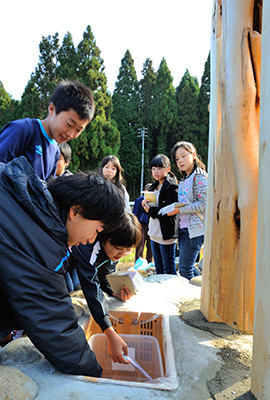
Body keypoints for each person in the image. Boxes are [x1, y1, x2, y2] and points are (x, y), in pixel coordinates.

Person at [0, 155, 128, 377]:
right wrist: (96, 377)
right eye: (97, 231)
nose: (90, 240)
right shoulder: (41, 243)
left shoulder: (30, 199)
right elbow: (55, 327)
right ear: (76, 211)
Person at [0, 80, 95, 181]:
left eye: (78, 130)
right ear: (52, 109)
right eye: (69, 124)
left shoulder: (55, 151)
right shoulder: (23, 130)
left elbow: (44, 190)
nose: (70, 134)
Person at [70, 212, 141, 336]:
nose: (121, 255)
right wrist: (107, 328)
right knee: (68, 288)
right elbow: (91, 286)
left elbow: (104, 276)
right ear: (105, 238)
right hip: (64, 261)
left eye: (127, 250)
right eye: (118, 249)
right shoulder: (89, 246)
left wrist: (116, 292)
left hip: (80, 265)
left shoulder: (113, 251)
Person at [169, 141, 208, 280]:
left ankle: (197, 296)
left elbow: (204, 204)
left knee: (185, 269)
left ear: (193, 155)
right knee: (188, 268)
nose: (180, 161)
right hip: (184, 228)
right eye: (177, 159)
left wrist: (179, 210)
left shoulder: (199, 176)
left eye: (183, 156)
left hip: (195, 229)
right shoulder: (185, 179)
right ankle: (201, 290)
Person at [142, 154, 178, 275]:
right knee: (159, 269)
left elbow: (168, 211)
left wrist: (150, 210)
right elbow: (150, 209)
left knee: (169, 269)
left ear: (168, 169)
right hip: (154, 232)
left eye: (159, 168)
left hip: (166, 233)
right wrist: (144, 205)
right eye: (153, 168)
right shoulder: (153, 185)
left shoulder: (172, 187)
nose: (155, 171)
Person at [132, 183, 153, 263]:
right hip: (141, 225)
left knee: (151, 245)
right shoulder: (139, 200)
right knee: (140, 245)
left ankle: (149, 261)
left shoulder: (155, 200)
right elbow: (135, 213)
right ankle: (138, 262)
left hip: (152, 224)